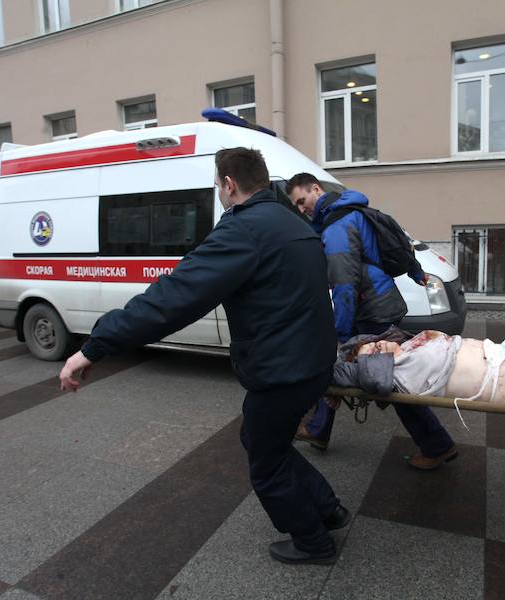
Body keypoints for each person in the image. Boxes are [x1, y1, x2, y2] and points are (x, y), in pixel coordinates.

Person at [59, 148, 349, 565]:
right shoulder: (292, 221)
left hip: (282, 369)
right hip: (312, 360)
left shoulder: (245, 229)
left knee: (265, 462)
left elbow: (172, 298)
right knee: (265, 440)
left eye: (217, 185)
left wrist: (94, 345)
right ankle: (328, 508)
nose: (218, 191)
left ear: (229, 184)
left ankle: (313, 541)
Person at [286, 173, 457, 470]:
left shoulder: (337, 227)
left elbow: (344, 286)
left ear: (316, 189)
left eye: (302, 201)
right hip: (378, 303)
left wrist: (339, 332)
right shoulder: (353, 212)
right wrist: (416, 272)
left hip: (371, 311)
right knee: (342, 367)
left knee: (390, 377)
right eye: (296, 206)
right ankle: (318, 430)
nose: (302, 209)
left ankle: (436, 444)